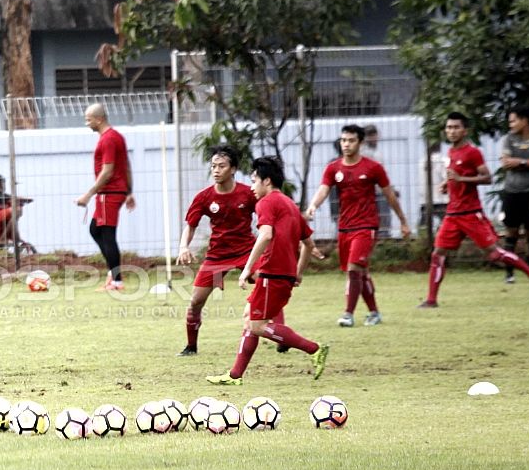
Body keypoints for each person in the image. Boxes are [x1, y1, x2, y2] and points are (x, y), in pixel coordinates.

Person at [206, 157, 329, 385]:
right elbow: (309, 245)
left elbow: (265, 235)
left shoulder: (266, 203)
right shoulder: (290, 205)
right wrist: (298, 272)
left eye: (254, 181)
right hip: (283, 275)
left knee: (257, 325)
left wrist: (247, 270)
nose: (252, 187)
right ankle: (234, 376)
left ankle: (314, 349)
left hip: (272, 274)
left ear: (267, 181)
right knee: (249, 319)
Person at [419, 112, 529, 308]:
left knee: (495, 254)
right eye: (449, 127)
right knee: (438, 254)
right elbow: (459, 175)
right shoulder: (452, 152)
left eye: (456, 127)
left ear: (465, 130)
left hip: (471, 214)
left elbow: (487, 178)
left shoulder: (472, 152)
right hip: (453, 214)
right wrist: (448, 183)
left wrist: (462, 180)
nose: (451, 131)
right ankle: (431, 299)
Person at [306, 124, 411, 327]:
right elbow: (323, 190)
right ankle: (374, 312)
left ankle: (348, 314)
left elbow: (389, 195)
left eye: (351, 140)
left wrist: (403, 222)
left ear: (360, 143)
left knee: (354, 270)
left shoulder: (373, 167)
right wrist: (312, 206)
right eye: (343, 140)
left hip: (367, 226)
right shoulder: (333, 168)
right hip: (345, 227)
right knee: (360, 273)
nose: (346, 144)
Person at [175, 145, 257, 356]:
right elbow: (190, 226)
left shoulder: (248, 194)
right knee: (195, 301)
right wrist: (184, 246)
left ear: (233, 169)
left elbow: (267, 216)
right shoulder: (204, 197)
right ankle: (191, 346)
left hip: (246, 251)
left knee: (268, 284)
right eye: (213, 166)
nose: (216, 170)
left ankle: (280, 339)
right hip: (217, 255)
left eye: (221, 166)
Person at [77, 103, 135, 291]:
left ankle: (117, 281)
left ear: (99, 119)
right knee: (96, 230)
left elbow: (108, 171)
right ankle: (113, 272)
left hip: (108, 194)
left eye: (89, 119)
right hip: (114, 193)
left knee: (107, 235)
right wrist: (129, 192)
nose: (87, 123)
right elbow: (126, 166)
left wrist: (88, 194)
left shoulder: (108, 139)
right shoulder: (115, 137)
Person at [497, 106, 529, 282]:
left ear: (525, 120)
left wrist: (521, 161)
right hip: (511, 192)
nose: (510, 124)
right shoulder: (508, 140)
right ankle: (509, 274)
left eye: (513, 120)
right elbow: (506, 163)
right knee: (511, 233)